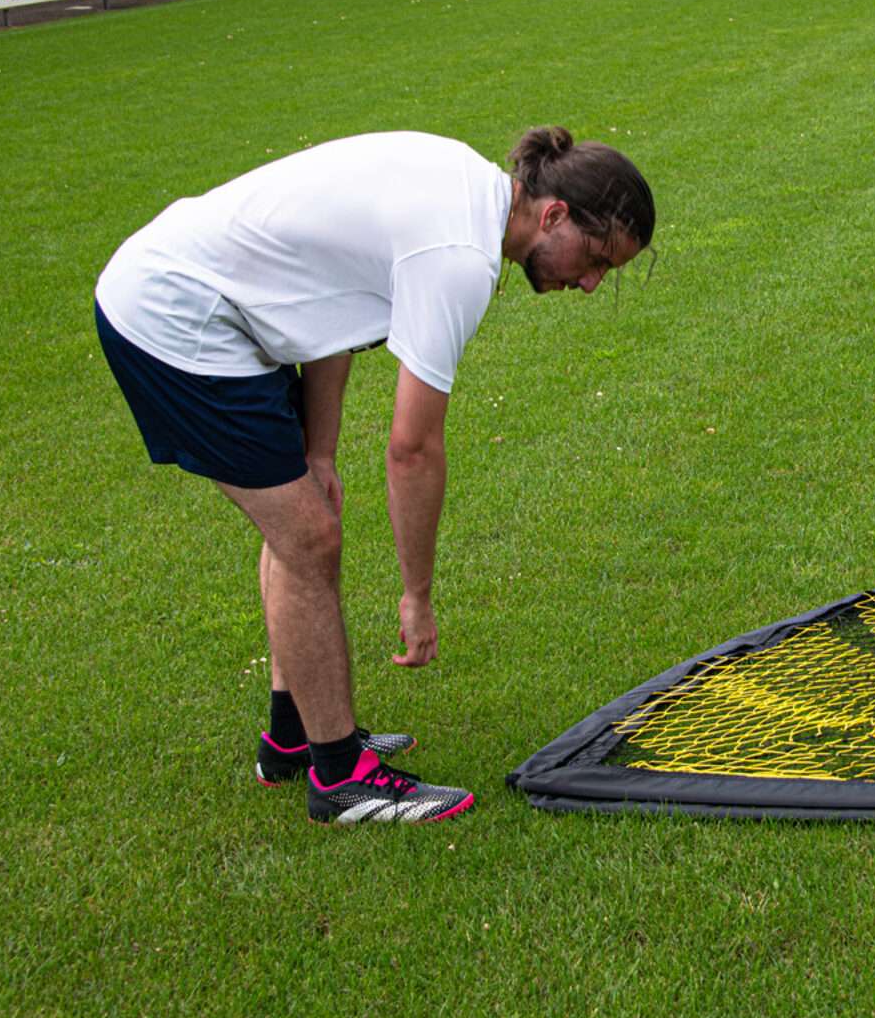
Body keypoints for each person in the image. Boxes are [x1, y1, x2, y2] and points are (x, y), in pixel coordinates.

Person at [94, 128, 655, 825]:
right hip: (174, 314)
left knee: (303, 521)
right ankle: (341, 778)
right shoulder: (459, 256)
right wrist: (417, 595)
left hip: (199, 293)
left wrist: (320, 453)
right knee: (308, 539)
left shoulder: (465, 184)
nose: (591, 283)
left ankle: (292, 737)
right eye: (596, 259)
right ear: (554, 215)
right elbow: (412, 449)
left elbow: (332, 304)